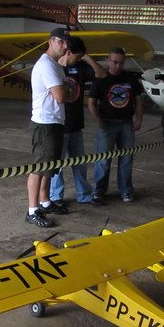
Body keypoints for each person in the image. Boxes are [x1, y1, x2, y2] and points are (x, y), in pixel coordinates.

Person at [50, 36, 106, 207]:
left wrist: (87, 58)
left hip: (75, 124)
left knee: (79, 162)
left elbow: (102, 75)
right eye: (77, 56)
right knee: (57, 164)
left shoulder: (81, 67)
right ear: (68, 53)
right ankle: (55, 196)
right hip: (60, 124)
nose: (79, 59)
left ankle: (84, 194)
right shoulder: (55, 68)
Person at [26, 27, 71, 228]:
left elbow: (66, 91)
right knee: (39, 167)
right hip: (45, 123)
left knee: (49, 167)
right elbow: (63, 95)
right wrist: (66, 90)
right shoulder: (46, 65)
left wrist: (65, 90)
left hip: (54, 122)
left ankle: (45, 202)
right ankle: (32, 210)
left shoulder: (56, 65)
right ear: (50, 41)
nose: (65, 46)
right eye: (60, 41)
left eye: (66, 42)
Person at [88, 47, 144, 203]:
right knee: (103, 160)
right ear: (108, 60)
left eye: (121, 62)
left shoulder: (130, 78)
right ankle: (98, 190)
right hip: (107, 124)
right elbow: (91, 102)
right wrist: (99, 120)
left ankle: (126, 190)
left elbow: (138, 100)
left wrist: (138, 119)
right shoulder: (101, 78)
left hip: (126, 124)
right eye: (114, 62)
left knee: (126, 158)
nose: (118, 66)